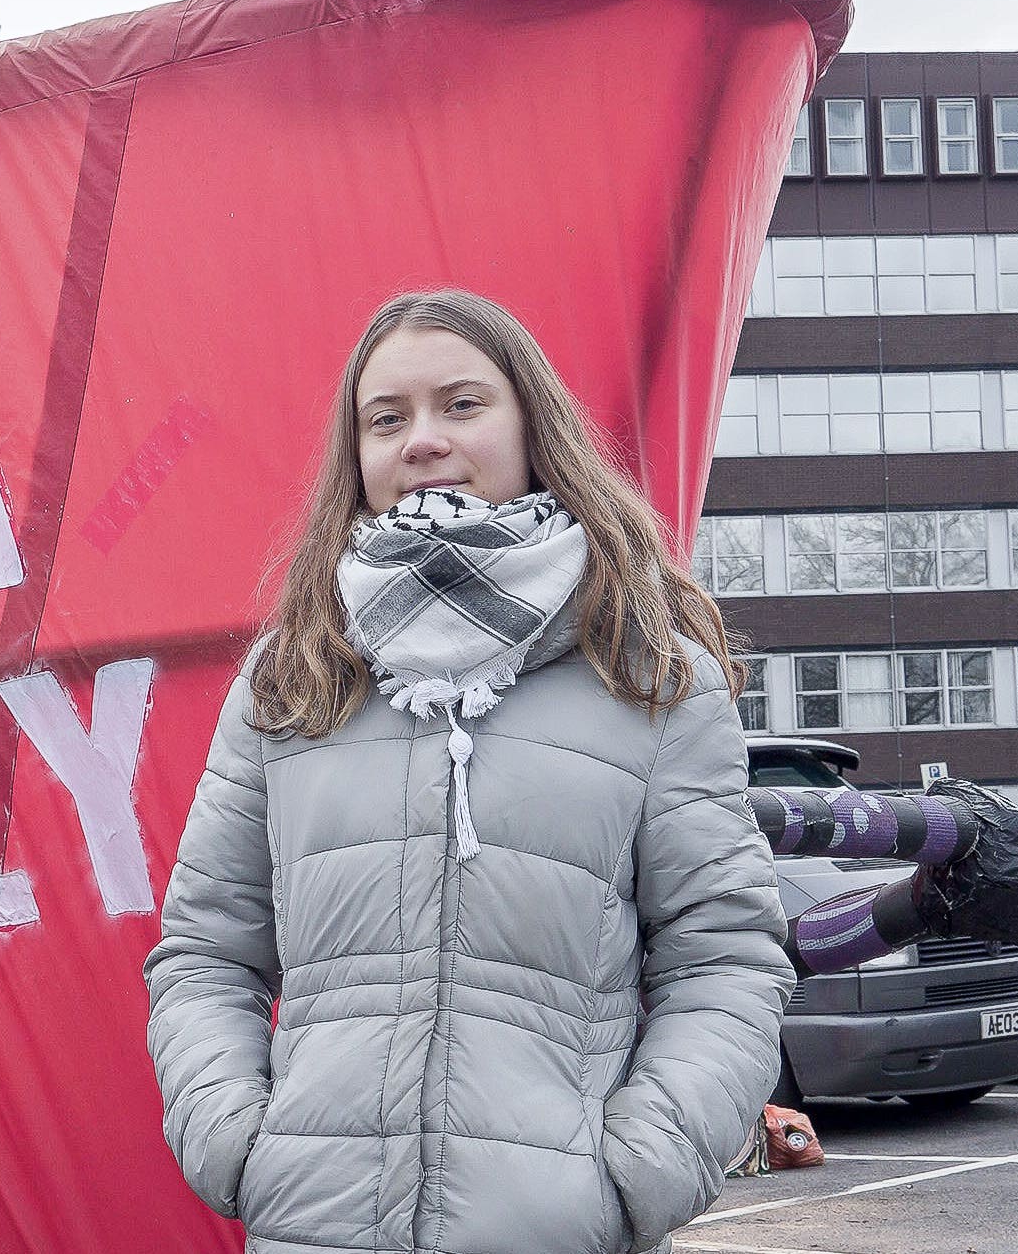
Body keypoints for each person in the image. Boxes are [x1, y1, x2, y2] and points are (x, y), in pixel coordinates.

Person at [146, 291, 793, 1254]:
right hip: (315, 1230)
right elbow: (206, 955)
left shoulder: (648, 673)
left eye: (461, 404)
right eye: (387, 418)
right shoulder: (293, 679)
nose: (423, 441)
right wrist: (238, 1142)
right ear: (356, 458)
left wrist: (635, 1170)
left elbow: (725, 963)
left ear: (533, 426)